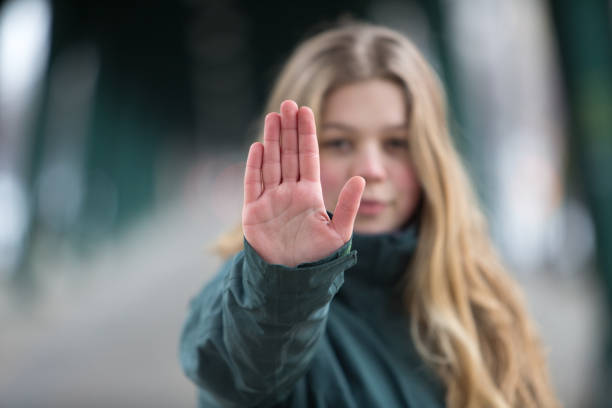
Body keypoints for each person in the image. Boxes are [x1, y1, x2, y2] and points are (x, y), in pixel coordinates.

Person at [179, 22, 559, 407]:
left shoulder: (482, 294)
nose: (371, 169)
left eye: (396, 143)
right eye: (340, 142)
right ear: (288, 148)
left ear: (432, 156)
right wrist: (282, 281)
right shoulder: (251, 292)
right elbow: (237, 372)